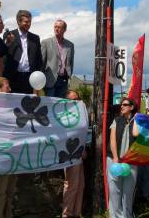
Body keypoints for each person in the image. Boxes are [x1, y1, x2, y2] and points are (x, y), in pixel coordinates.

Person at [107, 97, 139, 218]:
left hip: (131, 161)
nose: (122, 106)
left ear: (131, 107)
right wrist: (115, 157)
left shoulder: (137, 121)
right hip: (114, 159)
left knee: (128, 192)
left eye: (125, 104)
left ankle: (127, 215)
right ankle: (115, 215)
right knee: (115, 190)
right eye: (121, 104)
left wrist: (136, 119)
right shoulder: (116, 120)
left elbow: (136, 134)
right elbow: (112, 140)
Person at [0, 77, 17, 218]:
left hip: (13, 153)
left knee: (10, 190)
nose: (10, 89)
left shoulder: (10, 107)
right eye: (7, 86)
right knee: (0, 191)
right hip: (0, 155)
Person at [3, 10, 43, 94]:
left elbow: (39, 60)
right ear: (18, 21)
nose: (28, 24)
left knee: (27, 104)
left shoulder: (35, 38)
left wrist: (37, 81)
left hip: (29, 77)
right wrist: (8, 43)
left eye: (30, 22)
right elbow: (3, 55)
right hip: (13, 77)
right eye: (26, 22)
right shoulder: (9, 35)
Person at [62, 90, 85, 218]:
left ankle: (76, 213)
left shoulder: (79, 113)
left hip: (79, 152)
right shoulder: (65, 115)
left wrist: (83, 150)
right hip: (69, 153)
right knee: (71, 185)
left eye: (78, 99)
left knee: (80, 185)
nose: (77, 101)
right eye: (73, 100)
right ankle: (67, 214)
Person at [41, 19, 74, 98]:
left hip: (63, 80)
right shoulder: (46, 42)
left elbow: (71, 62)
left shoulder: (70, 45)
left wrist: (69, 75)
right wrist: (41, 79)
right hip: (50, 79)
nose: (56, 29)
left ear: (64, 29)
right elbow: (42, 62)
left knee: (60, 105)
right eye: (55, 27)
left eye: (59, 27)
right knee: (50, 103)